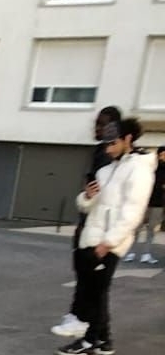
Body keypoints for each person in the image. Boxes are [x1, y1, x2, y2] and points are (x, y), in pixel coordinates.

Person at [55, 118, 156, 355]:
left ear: (128, 139)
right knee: (97, 291)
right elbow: (89, 206)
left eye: (112, 143)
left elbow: (132, 212)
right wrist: (87, 197)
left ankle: (89, 341)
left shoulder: (139, 169)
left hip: (109, 242)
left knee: (93, 292)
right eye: (105, 144)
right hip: (92, 238)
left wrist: (108, 242)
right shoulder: (106, 170)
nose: (107, 149)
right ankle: (103, 339)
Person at [51, 105, 122, 338]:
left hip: (100, 228)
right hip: (90, 223)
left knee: (94, 281)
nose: (97, 128)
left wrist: (108, 237)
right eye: (97, 123)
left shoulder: (114, 160)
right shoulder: (101, 153)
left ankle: (88, 325)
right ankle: (83, 320)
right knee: (86, 276)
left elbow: (108, 198)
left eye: (102, 124)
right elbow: (90, 193)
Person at [123, 145, 164, 264]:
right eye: (161, 154)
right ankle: (131, 252)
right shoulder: (151, 167)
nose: (163, 157)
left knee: (152, 230)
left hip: (158, 204)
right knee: (136, 228)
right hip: (143, 201)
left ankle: (146, 254)